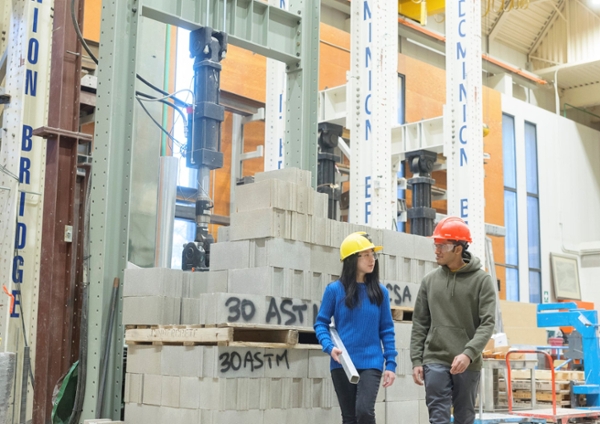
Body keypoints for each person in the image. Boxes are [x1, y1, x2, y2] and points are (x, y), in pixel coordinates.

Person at [410, 217, 496, 424]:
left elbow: (487, 323)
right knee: (438, 416)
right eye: (435, 244)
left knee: (464, 417)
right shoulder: (429, 281)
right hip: (435, 358)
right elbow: (420, 323)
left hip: (468, 362)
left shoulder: (481, 281)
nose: (436, 250)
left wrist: (468, 354)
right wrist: (417, 360)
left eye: (442, 245)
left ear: (458, 248)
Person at [314, 231, 397, 424]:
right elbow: (321, 323)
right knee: (349, 417)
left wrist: (390, 363)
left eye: (373, 254)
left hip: (371, 362)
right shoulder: (334, 290)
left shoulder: (380, 292)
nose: (372, 259)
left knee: (365, 411)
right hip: (342, 362)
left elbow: (387, 329)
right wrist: (328, 346)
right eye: (366, 254)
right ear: (352, 259)